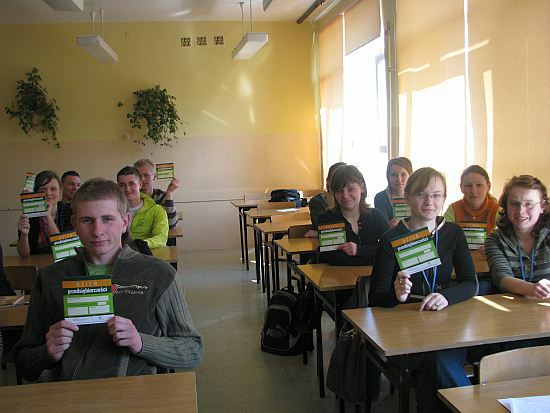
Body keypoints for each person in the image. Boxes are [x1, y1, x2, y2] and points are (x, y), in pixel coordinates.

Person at [14, 178, 203, 382]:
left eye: (107, 219)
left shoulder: (158, 274)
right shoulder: (50, 278)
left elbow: (192, 350)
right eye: (87, 220)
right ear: (74, 224)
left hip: (135, 393)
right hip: (69, 394)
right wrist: (47, 352)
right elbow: (23, 362)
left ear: (125, 222)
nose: (98, 231)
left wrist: (141, 342)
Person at [369, 167, 477, 413]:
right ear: (407, 197)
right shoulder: (390, 238)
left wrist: (446, 297)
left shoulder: (453, 233)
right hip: (406, 330)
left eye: (437, 195)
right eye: (421, 194)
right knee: (437, 361)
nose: (430, 202)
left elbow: (470, 283)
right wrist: (397, 295)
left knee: (435, 369)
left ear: (444, 198)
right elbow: (375, 297)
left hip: (446, 325)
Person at [485, 175, 550, 298]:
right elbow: (501, 278)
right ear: (506, 205)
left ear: (542, 206)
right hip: (512, 307)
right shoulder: (495, 239)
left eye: (529, 204)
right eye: (514, 204)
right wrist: (531, 288)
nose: (521, 211)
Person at [317, 165, 389, 266]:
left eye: (351, 189)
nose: (345, 195)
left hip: (373, 275)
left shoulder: (376, 216)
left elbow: (391, 248)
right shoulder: (327, 220)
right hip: (338, 275)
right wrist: (374, 257)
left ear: (362, 188)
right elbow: (333, 259)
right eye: (339, 191)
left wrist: (359, 250)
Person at [17, 170, 73, 257]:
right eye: (42, 189)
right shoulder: (30, 215)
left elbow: (65, 249)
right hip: (36, 264)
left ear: (60, 192)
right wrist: (24, 235)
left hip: (64, 262)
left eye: (53, 189)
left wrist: (47, 216)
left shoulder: (69, 212)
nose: (48, 193)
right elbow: (24, 254)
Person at [444, 165, 499, 251]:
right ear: (461, 188)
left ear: (488, 186)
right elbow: (443, 236)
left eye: (479, 185)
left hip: (488, 258)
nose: (473, 191)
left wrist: (495, 246)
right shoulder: (453, 209)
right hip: (459, 258)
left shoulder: (495, 209)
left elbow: (510, 235)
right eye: (468, 185)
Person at [117, 166, 168, 249]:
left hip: (145, 252)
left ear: (140, 184)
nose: (127, 189)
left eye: (131, 184)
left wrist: (139, 245)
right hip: (118, 253)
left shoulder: (157, 210)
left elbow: (161, 238)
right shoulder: (112, 211)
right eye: (122, 185)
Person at [134, 159, 180, 230]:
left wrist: (169, 193)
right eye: (139, 176)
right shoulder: (131, 197)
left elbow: (171, 224)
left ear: (154, 177)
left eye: (146, 175)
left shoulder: (161, 196)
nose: (142, 179)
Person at [374, 157, 413, 228]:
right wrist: (389, 226)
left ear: (410, 176)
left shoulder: (416, 196)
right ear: (388, 177)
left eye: (403, 174)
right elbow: (382, 227)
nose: (399, 179)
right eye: (394, 175)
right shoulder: (380, 198)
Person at [309, 162, 346, 227]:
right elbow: (324, 227)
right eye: (336, 179)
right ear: (328, 180)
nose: (340, 183)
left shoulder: (349, 198)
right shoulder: (316, 202)